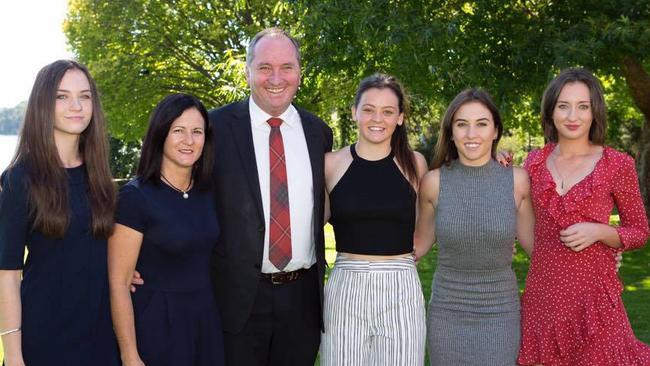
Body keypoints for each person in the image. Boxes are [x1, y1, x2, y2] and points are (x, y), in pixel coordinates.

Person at [208, 28, 333, 365]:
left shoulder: (318, 132)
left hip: (302, 299)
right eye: (264, 67)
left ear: (299, 73)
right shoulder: (214, 129)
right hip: (237, 300)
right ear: (247, 71)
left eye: (287, 67)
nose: (276, 78)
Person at [514, 68, 650, 365]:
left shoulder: (617, 165)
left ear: (594, 112)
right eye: (563, 106)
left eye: (582, 106)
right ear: (550, 112)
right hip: (543, 298)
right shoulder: (534, 162)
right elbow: (521, 216)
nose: (572, 116)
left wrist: (600, 233)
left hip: (595, 303)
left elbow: (640, 231)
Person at [0, 60, 119, 366]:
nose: (76, 106)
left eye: (85, 96)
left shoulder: (100, 177)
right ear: (44, 104)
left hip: (102, 337)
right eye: (62, 96)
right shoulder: (20, 179)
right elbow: (9, 276)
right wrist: (13, 356)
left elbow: (96, 248)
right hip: (45, 339)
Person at [414, 88, 535, 365]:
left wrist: (594, 259)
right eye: (461, 124)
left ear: (495, 131)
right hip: (447, 314)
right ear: (451, 131)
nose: (471, 134)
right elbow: (417, 246)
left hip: (501, 314)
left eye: (481, 124)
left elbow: (537, 249)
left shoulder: (516, 181)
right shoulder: (433, 182)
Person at [320, 73, 428, 365]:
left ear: (400, 118)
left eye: (388, 111)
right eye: (368, 109)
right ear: (354, 112)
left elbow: (428, 220)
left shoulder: (415, 164)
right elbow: (310, 223)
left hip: (401, 286)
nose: (377, 118)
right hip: (346, 286)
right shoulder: (331, 163)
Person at [108, 94, 224, 365]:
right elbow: (119, 283)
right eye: (178, 131)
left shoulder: (207, 192)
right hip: (157, 327)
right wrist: (130, 355)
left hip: (204, 323)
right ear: (160, 134)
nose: (189, 140)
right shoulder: (135, 198)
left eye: (197, 132)